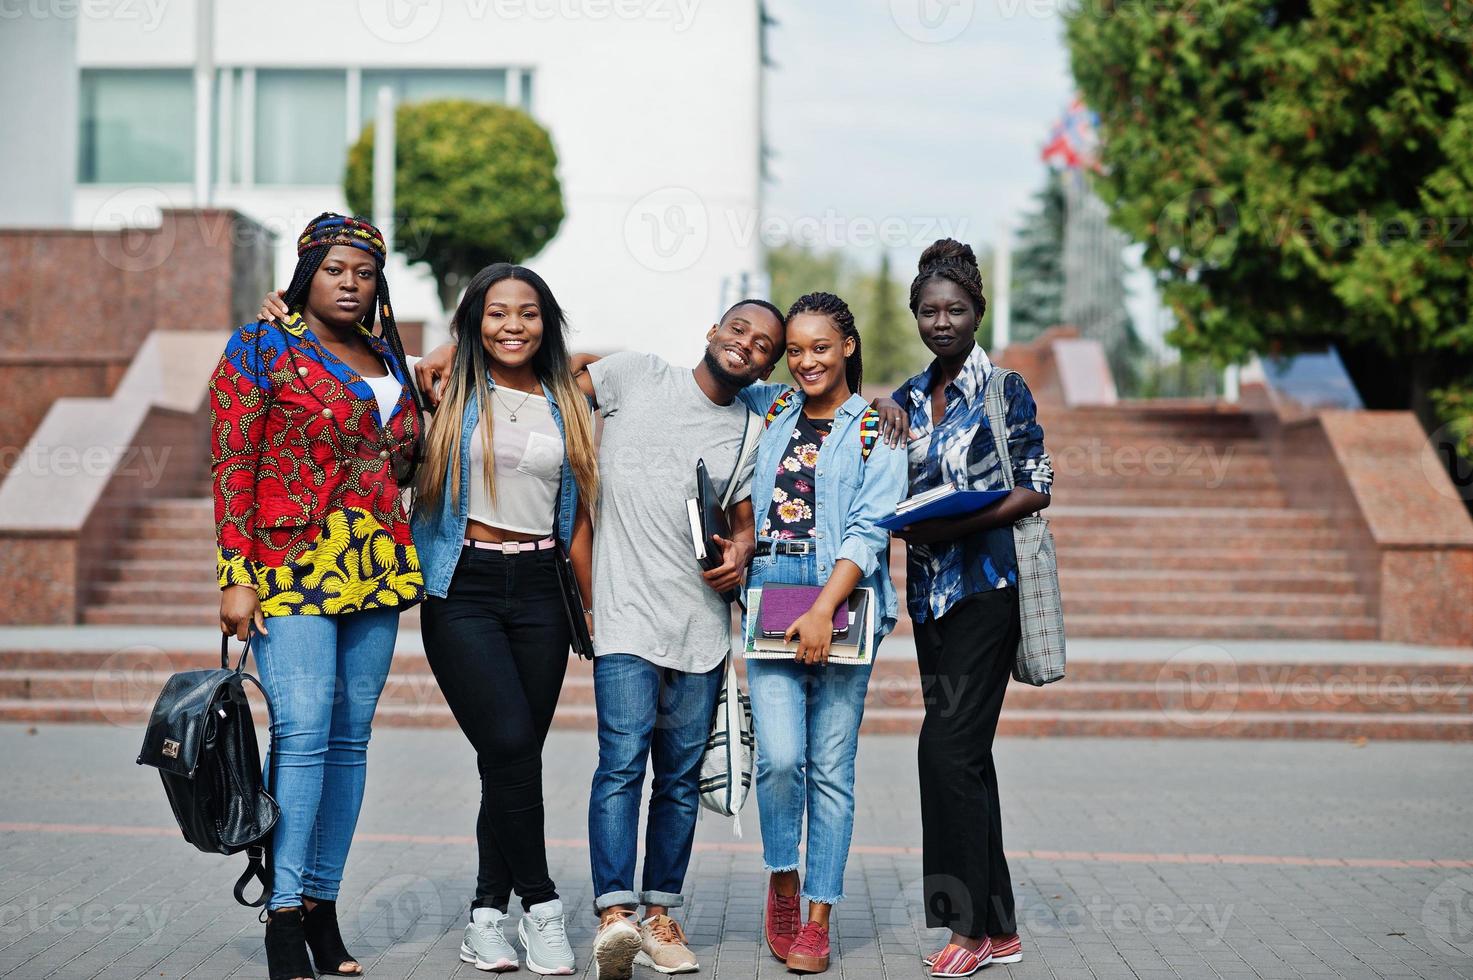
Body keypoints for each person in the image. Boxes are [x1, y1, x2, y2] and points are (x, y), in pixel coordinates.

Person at [417, 300, 784, 979]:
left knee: (676, 780)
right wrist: (450, 351)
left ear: (770, 362)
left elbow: (742, 518)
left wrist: (742, 547)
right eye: (738, 330)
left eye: (764, 345)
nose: (746, 347)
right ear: (711, 331)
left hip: (700, 624)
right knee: (619, 766)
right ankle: (613, 915)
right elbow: (547, 379)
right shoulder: (638, 374)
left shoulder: (749, 429)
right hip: (619, 615)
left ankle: (659, 914)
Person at [260, 262, 595, 975]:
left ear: (548, 321)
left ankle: (483, 918)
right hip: (461, 586)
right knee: (507, 744)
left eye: (528, 313)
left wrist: (591, 609)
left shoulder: (570, 395)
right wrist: (288, 316)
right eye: (496, 312)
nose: (513, 325)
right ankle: (541, 906)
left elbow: (584, 507)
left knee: (512, 762)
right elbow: (336, 354)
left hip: (541, 590)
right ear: (471, 321)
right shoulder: (434, 386)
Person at [212, 213, 424, 980]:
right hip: (290, 561)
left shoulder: (386, 354)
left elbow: (402, 457)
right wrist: (234, 572)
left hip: (376, 566)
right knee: (300, 733)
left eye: (364, 272)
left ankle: (323, 909)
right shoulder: (261, 344)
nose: (350, 282)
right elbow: (234, 459)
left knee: (349, 740)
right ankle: (281, 914)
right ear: (307, 272)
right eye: (336, 269)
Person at [890, 240, 1052, 977]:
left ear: (977, 312)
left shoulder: (1003, 390)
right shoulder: (902, 399)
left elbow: (1037, 485)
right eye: (928, 311)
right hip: (928, 596)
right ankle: (1003, 928)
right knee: (970, 760)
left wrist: (950, 524)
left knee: (943, 753)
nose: (941, 321)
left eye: (954, 309)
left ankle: (966, 933)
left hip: (987, 589)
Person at [741, 293, 907, 974]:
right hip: (771, 589)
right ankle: (782, 878)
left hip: (843, 593)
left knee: (831, 770)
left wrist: (823, 608)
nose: (806, 360)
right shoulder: (774, 407)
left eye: (820, 347)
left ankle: (817, 917)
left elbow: (872, 527)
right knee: (779, 759)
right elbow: (711, 379)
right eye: (796, 350)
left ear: (847, 347)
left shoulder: (876, 429)